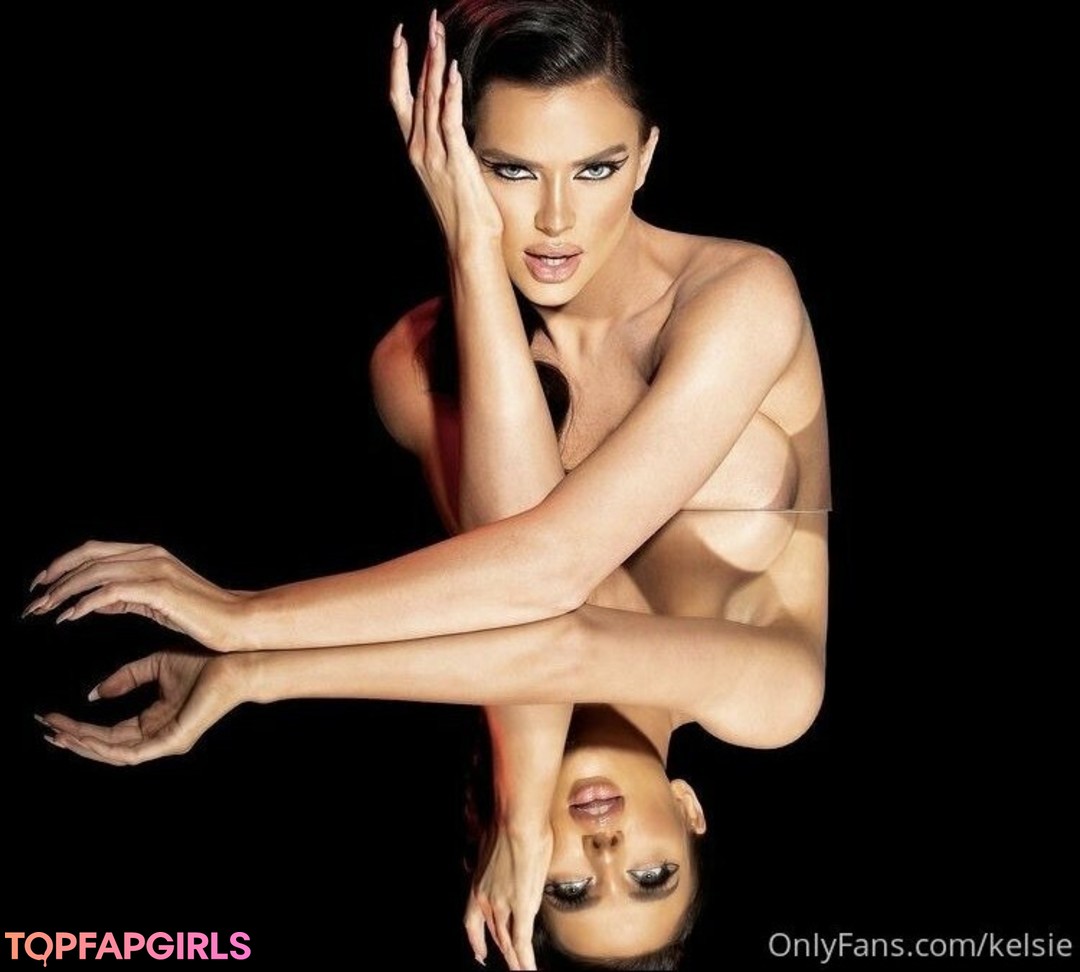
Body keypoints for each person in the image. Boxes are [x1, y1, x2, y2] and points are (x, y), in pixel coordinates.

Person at [24, 1, 830, 966]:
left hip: (518, 603)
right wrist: (242, 628)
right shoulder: (772, 697)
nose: (558, 217)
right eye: (512, 169)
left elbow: (539, 619)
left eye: (571, 888)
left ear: (644, 161)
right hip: (532, 590)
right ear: (692, 815)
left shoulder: (421, 365)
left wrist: (474, 252)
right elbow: (553, 599)